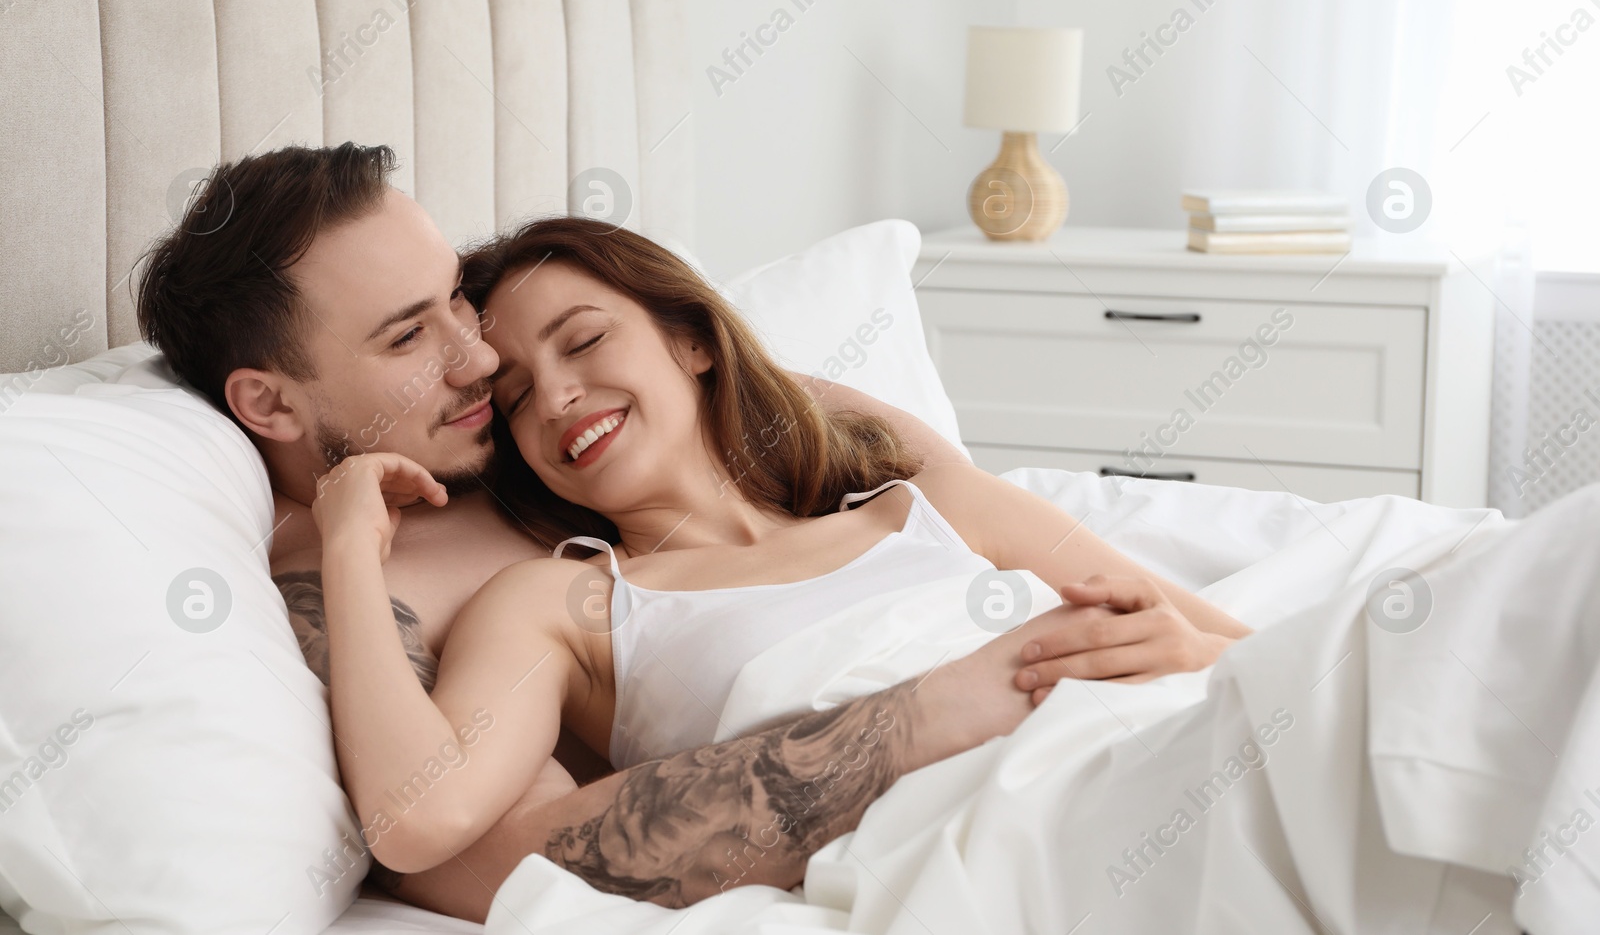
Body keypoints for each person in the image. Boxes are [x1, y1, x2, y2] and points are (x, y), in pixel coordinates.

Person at [133, 142, 1170, 919]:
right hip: (1015, 808)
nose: (482, 359)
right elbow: (464, 846)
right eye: (411, 332)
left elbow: (1117, 596)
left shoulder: (813, 444)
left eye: (458, 297)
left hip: (1133, 726)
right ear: (269, 405)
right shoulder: (434, 580)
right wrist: (924, 716)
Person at [305, 215, 1253, 903]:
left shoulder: (922, 502)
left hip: (1169, 743)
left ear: (691, 340)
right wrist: (347, 542)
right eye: (513, 396)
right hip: (1002, 839)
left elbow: (1246, 652)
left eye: (585, 339)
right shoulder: (564, 600)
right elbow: (416, 820)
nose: (555, 395)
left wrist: (1186, 655)